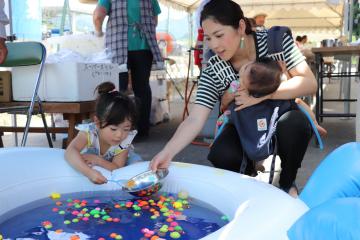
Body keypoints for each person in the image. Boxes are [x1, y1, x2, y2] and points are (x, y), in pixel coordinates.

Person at [150, 0, 317, 197]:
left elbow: (309, 83)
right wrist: (167, 152)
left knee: (295, 124)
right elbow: (195, 118)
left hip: (276, 121)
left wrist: (264, 96)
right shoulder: (214, 67)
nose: (214, 45)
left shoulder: (274, 42)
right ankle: (246, 185)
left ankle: (287, 183)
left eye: (219, 35)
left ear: (240, 26)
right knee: (222, 153)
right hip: (245, 128)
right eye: (208, 38)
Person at [93, 0, 163, 140]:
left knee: (118, 89)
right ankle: (142, 131)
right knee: (142, 88)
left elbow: (98, 15)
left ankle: (117, 130)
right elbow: (154, 20)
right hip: (143, 45)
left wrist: (99, 32)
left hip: (118, 46)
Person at [65, 82, 138, 184]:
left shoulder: (125, 140)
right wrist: (89, 172)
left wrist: (98, 160)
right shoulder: (89, 132)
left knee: (138, 167)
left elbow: (117, 168)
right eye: (113, 129)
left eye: (126, 129)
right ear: (97, 123)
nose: (119, 135)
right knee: (84, 158)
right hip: (95, 160)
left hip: (122, 162)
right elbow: (70, 152)